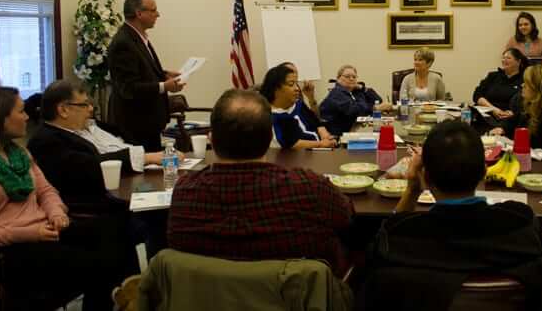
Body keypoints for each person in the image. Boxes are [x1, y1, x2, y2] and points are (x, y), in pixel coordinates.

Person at [357, 121, 542, 311]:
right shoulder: (520, 220)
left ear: (425, 177)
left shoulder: (402, 234)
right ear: (484, 172)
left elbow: (381, 247)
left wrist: (412, 187)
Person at [167, 89, 355, 276]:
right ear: (268, 140)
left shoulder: (184, 194)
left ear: (212, 140)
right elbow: (347, 217)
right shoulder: (309, 188)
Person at [0, 87, 133, 311]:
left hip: (46, 228)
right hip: (15, 247)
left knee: (113, 232)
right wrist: (31, 233)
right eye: (21, 111)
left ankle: (125, 297)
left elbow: (46, 192)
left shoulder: (19, 154)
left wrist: (57, 213)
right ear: (1, 118)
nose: (28, 116)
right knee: (100, 264)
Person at [28, 80, 169, 211]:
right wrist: (145, 158)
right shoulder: (46, 140)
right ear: (63, 110)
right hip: (95, 206)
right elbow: (90, 165)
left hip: (123, 186)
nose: (90, 109)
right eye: (84, 104)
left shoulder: (85, 127)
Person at [108, 0, 184, 152]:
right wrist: (164, 86)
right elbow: (129, 88)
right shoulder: (124, 43)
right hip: (135, 125)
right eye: (153, 10)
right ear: (139, 13)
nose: (158, 14)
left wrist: (163, 74)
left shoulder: (138, 38)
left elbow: (139, 71)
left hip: (149, 124)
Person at [260, 64, 337, 149]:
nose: (297, 88)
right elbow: (291, 144)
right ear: (276, 89)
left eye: (296, 83)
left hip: (323, 149)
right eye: (291, 84)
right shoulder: (271, 116)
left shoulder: (298, 104)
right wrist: (321, 144)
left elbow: (316, 122)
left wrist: (324, 135)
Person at [320, 64, 391, 136]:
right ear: (338, 79)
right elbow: (354, 110)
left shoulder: (353, 91)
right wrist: (375, 108)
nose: (351, 79)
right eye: (347, 76)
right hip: (337, 137)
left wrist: (361, 87)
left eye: (354, 77)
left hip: (350, 130)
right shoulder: (337, 93)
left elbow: (377, 100)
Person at [473, 48, 529, 121]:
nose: (504, 60)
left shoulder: (525, 79)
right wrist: (493, 109)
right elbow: (477, 95)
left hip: (509, 119)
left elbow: (528, 102)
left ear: (518, 61)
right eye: (503, 58)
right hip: (485, 115)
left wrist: (514, 113)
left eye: (508, 58)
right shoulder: (493, 76)